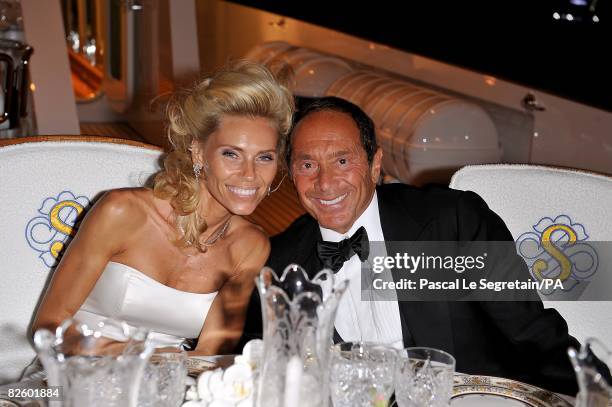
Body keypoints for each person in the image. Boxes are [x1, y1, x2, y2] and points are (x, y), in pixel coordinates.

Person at [241, 96, 581, 394]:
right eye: (307, 165)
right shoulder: (280, 262)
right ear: (291, 173)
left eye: (343, 161)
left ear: (375, 165)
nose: (325, 183)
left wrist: (595, 392)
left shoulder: (452, 222)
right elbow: (262, 364)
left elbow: (531, 333)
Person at [32, 61, 294, 355]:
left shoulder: (250, 247)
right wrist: (141, 359)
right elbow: (48, 327)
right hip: (75, 374)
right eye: (232, 154)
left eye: (264, 158)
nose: (249, 174)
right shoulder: (123, 213)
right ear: (198, 151)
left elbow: (210, 354)